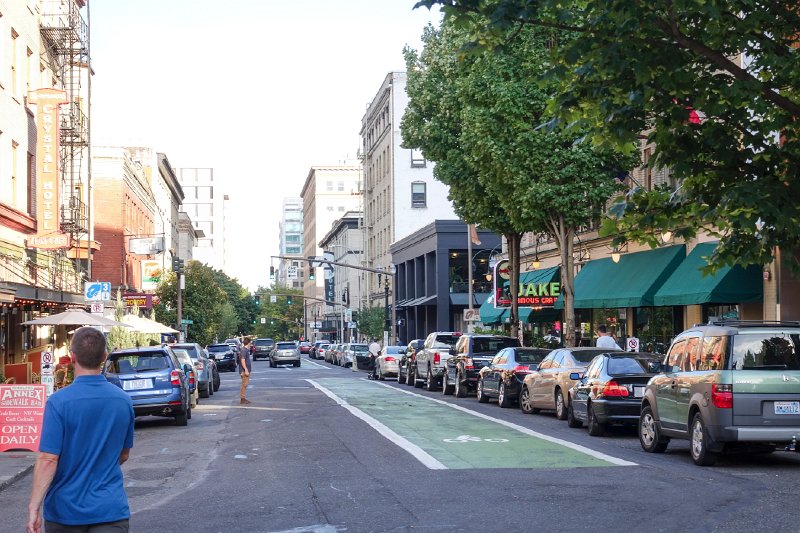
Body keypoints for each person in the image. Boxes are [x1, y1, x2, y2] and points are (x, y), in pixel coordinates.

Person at [27, 327, 135, 533]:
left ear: (72, 357)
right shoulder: (123, 401)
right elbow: (124, 453)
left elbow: (48, 459)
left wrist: (34, 507)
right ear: (104, 356)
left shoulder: (59, 402)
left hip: (65, 513)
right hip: (110, 510)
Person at [239, 336, 252, 404]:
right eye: (250, 343)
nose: (251, 344)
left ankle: (243, 398)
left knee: (245, 384)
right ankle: (242, 399)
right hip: (244, 371)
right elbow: (242, 360)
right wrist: (246, 370)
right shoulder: (244, 350)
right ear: (248, 343)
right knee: (244, 384)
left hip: (245, 370)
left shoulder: (246, 350)